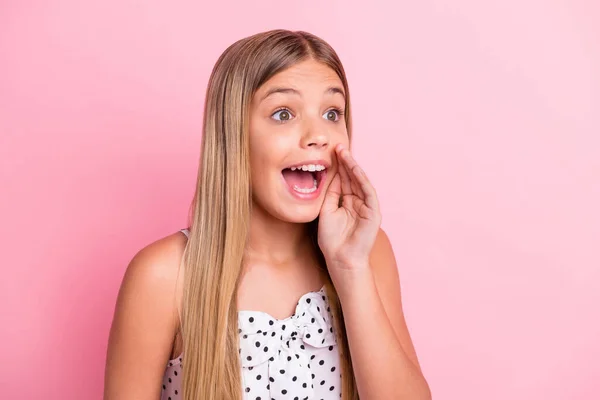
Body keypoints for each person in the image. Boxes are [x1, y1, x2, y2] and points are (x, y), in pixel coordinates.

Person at [104, 29, 431, 400]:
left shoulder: (367, 253)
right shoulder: (164, 276)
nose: (318, 135)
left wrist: (350, 269)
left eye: (331, 113)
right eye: (283, 114)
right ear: (233, 135)